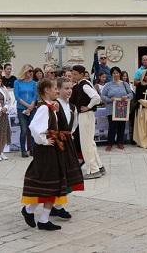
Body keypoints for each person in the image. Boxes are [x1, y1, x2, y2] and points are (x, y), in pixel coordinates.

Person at [20, 78, 67, 231]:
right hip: (46, 150)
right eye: (55, 88)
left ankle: (39, 216)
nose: (57, 91)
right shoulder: (43, 108)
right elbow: (33, 127)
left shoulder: (48, 107)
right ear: (47, 90)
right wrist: (44, 141)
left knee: (52, 184)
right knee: (49, 183)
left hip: (51, 149)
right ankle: (32, 212)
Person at [53, 77, 85, 220]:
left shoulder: (72, 107)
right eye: (66, 88)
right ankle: (51, 206)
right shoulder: (54, 106)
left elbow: (74, 124)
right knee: (56, 176)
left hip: (68, 143)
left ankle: (57, 207)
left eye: (71, 88)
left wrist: (69, 134)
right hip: (56, 144)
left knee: (69, 175)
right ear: (58, 90)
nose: (69, 91)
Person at [70, 65, 105, 179]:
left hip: (85, 115)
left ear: (81, 74)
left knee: (86, 143)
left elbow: (96, 98)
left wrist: (88, 107)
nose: (74, 76)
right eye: (73, 74)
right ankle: (98, 166)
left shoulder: (84, 85)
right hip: (86, 115)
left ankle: (93, 170)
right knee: (90, 142)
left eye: (75, 74)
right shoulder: (84, 84)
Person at [100, 66, 133, 151]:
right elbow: (103, 96)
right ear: (111, 75)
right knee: (112, 126)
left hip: (122, 108)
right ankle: (110, 143)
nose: (116, 74)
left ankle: (119, 142)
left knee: (121, 126)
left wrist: (126, 97)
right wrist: (109, 99)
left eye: (117, 73)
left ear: (119, 74)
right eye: (114, 73)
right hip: (111, 108)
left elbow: (131, 94)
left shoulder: (125, 84)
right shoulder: (108, 85)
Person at [14, 64, 37, 158]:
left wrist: (31, 106)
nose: (31, 73)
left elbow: (35, 95)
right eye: (30, 71)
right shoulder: (17, 82)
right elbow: (17, 96)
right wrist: (27, 105)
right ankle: (23, 150)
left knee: (31, 128)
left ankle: (32, 148)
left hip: (32, 108)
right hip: (21, 108)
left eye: (32, 71)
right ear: (25, 71)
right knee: (24, 129)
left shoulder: (33, 83)